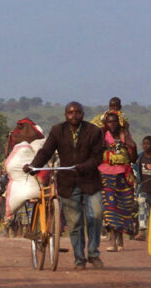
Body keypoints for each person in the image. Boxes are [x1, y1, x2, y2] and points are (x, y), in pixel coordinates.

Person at [26, 102, 105, 269]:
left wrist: (83, 167)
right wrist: (34, 166)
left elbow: (98, 157)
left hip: (90, 181)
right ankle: (79, 259)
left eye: (77, 112)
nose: (74, 115)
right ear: (65, 115)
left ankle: (93, 253)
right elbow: (45, 152)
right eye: (70, 113)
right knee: (74, 223)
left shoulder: (94, 132)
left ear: (83, 114)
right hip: (68, 183)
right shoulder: (57, 131)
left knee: (96, 215)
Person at [98, 110, 138, 252]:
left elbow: (133, 154)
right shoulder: (103, 136)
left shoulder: (124, 135)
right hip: (106, 175)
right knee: (110, 207)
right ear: (106, 124)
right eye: (109, 122)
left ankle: (120, 239)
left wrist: (127, 137)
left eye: (115, 121)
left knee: (123, 207)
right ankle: (113, 241)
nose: (112, 124)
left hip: (123, 176)